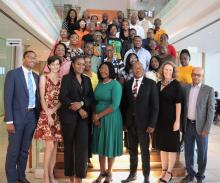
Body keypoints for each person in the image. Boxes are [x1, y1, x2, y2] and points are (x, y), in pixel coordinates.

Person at [4, 50, 40, 183]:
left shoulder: (36, 77)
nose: (32, 59)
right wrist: (9, 120)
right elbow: (7, 99)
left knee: (25, 150)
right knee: (13, 151)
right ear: (24, 58)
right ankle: (12, 179)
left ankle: (21, 176)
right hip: (17, 118)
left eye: (34, 58)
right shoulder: (13, 74)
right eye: (30, 57)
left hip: (31, 117)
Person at [121, 62, 159, 183]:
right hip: (130, 124)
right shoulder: (127, 85)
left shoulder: (151, 84)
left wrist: (152, 124)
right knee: (132, 151)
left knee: (144, 151)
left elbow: (155, 107)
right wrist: (124, 124)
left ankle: (146, 176)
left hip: (144, 125)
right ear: (132, 70)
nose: (137, 70)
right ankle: (132, 174)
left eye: (139, 68)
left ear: (143, 69)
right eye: (135, 68)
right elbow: (124, 105)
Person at [59, 56, 94, 183]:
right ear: (73, 65)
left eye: (83, 64)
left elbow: (91, 97)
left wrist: (82, 103)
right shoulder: (67, 78)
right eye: (78, 64)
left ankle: (80, 178)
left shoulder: (87, 80)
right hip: (69, 117)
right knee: (69, 147)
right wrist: (78, 108)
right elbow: (63, 97)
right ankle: (71, 178)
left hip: (83, 120)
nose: (81, 66)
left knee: (82, 149)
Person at [181, 67, 215, 183]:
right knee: (188, 152)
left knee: (202, 153)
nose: (196, 77)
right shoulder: (186, 88)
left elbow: (211, 111)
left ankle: (200, 176)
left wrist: (207, 129)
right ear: (191, 75)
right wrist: (182, 125)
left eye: (199, 75)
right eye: (194, 74)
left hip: (201, 127)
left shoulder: (209, 90)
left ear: (202, 77)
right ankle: (190, 174)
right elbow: (183, 108)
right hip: (188, 125)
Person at [92, 62, 123, 183]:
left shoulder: (115, 85)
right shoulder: (99, 84)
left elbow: (114, 105)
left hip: (111, 118)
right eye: (100, 69)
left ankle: (109, 173)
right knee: (101, 145)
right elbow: (95, 101)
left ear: (111, 70)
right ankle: (102, 172)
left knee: (109, 145)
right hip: (98, 118)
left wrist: (98, 116)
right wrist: (95, 116)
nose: (102, 71)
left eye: (105, 69)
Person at [34, 56, 63, 183]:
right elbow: (41, 98)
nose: (56, 66)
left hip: (57, 114)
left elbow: (62, 100)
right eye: (53, 64)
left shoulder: (62, 80)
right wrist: (48, 113)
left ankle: (51, 175)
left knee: (55, 146)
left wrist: (54, 111)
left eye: (58, 64)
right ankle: (45, 176)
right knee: (49, 145)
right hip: (46, 114)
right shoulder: (43, 78)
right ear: (49, 65)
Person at [155, 61, 183, 182]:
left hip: (172, 120)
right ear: (162, 71)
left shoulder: (176, 85)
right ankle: (164, 170)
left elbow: (178, 104)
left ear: (173, 72)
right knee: (163, 147)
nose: (167, 72)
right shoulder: (158, 84)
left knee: (171, 147)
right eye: (166, 70)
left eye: (170, 70)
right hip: (160, 121)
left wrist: (177, 121)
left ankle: (170, 172)